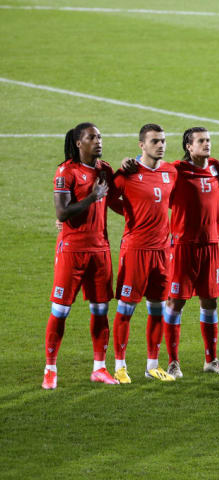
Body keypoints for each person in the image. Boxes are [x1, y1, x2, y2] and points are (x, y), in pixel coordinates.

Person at [42, 123, 121, 389]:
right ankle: (50, 369)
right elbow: (62, 214)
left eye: (100, 136)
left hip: (100, 251)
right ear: (79, 143)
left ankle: (100, 368)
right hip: (72, 251)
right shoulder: (66, 172)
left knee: (100, 310)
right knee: (60, 310)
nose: (98, 141)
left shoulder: (105, 170)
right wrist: (92, 197)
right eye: (92, 137)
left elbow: (118, 200)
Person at [161, 127, 219, 377]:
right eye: (201, 141)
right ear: (188, 147)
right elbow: (153, 183)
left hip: (211, 246)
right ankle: (173, 362)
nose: (207, 144)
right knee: (176, 302)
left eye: (208, 140)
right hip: (183, 247)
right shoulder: (176, 170)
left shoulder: (216, 167)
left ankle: (211, 360)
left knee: (210, 301)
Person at [112, 124, 177, 383]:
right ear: (141, 145)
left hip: (163, 251)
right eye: (154, 141)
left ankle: (152, 365)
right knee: (126, 308)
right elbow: (105, 199)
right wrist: (131, 213)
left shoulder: (170, 172)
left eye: (162, 141)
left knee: (158, 308)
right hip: (136, 250)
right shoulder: (128, 173)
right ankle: (120, 366)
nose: (160, 145)